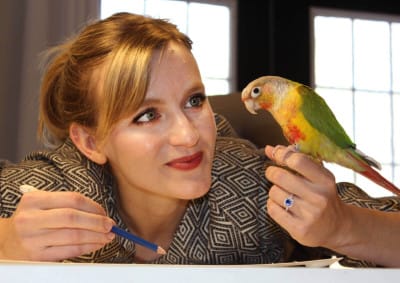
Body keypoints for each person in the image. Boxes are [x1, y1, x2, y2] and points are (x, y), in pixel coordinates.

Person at [0, 12, 399, 266]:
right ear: (90, 143)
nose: (190, 135)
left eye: (194, 100)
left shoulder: (254, 181)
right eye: (147, 115)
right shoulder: (54, 188)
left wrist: (343, 225)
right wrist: (6, 242)